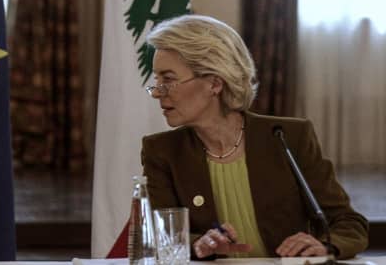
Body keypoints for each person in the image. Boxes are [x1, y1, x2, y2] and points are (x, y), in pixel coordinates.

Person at [141, 14, 368, 260]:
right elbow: (161, 233)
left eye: (169, 79)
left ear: (214, 84)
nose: (157, 93)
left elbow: (348, 223)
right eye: (157, 81)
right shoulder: (161, 151)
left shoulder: (289, 137)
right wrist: (199, 244)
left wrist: (325, 245)